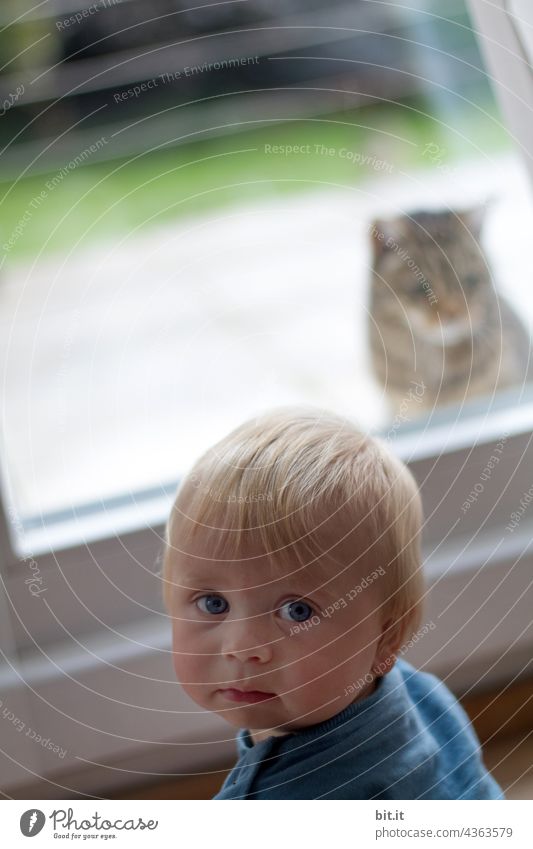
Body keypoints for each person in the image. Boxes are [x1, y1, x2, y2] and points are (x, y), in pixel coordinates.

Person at [161, 407, 504, 799]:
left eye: (297, 611)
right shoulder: (423, 696)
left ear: (387, 636)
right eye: (213, 603)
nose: (243, 647)